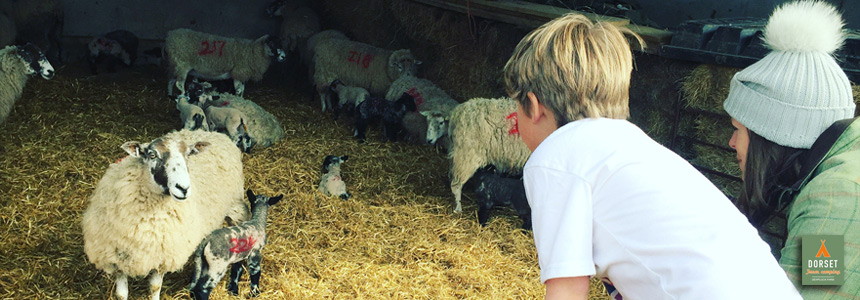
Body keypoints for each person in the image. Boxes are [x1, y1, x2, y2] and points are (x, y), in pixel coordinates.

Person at [502, 13, 801, 300]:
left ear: (534, 105)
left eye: (516, 104)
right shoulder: (631, 147)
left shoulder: (556, 157)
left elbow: (567, 292)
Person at [723, 1, 859, 298]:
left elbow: (806, 295)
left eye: (738, 129)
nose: (731, 143)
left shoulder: (835, 196)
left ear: (769, 136)